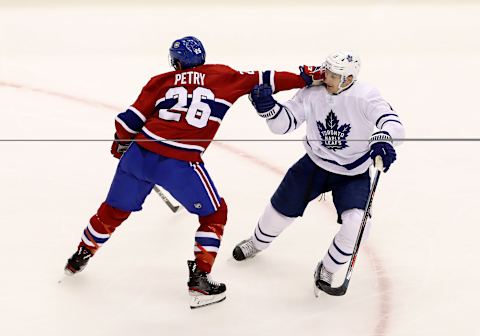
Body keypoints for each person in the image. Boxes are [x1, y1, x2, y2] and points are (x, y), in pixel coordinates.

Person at [64, 36, 319, 308]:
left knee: (113, 210)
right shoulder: (223, 76)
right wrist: (304, 78)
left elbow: (127, 121)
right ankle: (200, 280)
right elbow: (268, 78)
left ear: (175, 62)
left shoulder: (160, 81)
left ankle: (80, 255)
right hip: (180, 163)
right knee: (214, 213)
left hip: (138, 155)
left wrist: (121, 142)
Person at [232, 51, 405, 296]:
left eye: (335, 75)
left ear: (348, 79)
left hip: (352, 173)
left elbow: (394, 124)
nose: (327, 77)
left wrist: (383, 139)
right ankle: (257, 242)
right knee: (280, 209)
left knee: (358, 224)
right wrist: (269, 108)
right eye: (327, 71)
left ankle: (328, 267)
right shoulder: (310, 92)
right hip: (313, 165)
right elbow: (283, 125)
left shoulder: (365, 96)